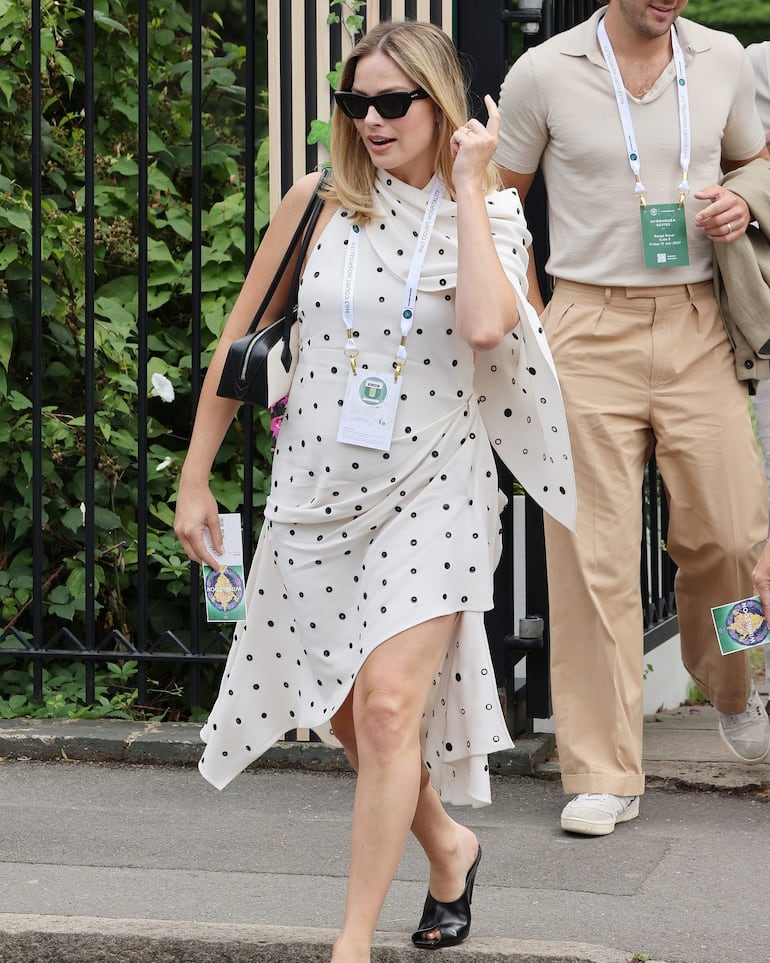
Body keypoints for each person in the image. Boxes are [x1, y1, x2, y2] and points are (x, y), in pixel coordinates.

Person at [174, 19, 575, 962]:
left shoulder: (494, 216)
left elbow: (485, 325)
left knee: (390, 706)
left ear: (441, 107)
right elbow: (242, 348)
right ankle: (448, 843)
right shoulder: (314, 204)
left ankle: (349, 944)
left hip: (437, 487)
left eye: (395, 102)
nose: (373, 120)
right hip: (317, 485)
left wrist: (472, 188)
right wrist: (196, 476)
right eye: (357, 102)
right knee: (346, 709)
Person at [494, 0, 770, 838]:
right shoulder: (543, 71)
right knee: (590, 557)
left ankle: (733, 680)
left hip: (697, 323)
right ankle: (601, 768)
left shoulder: (720, 56)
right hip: (586, 323)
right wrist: (535, 317)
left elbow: (759, 159)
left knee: (731, 538)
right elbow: (501, 200)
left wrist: (742, 203)